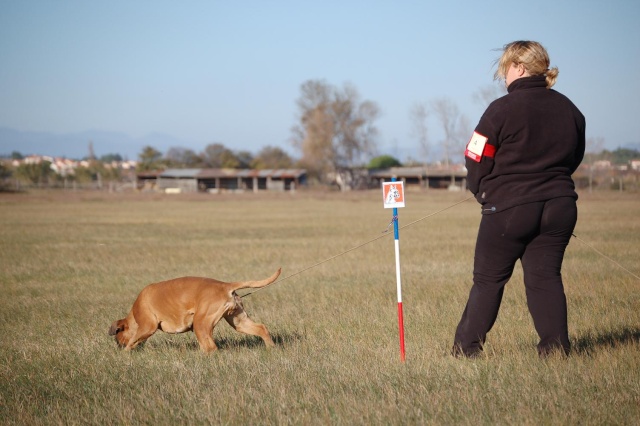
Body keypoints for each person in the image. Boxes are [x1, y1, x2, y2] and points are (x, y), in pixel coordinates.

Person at [452, 40, 585, 358]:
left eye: (505, 70)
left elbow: (475, 155)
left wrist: (481, 190)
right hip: (561, 206)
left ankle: (466, 350)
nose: (504, 77)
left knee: (488, 280)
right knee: (545, 277)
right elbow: (575, 156)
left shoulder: (501, 109)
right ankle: (555, 353)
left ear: (520, 68)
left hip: (509, 209)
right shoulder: (570, 109)